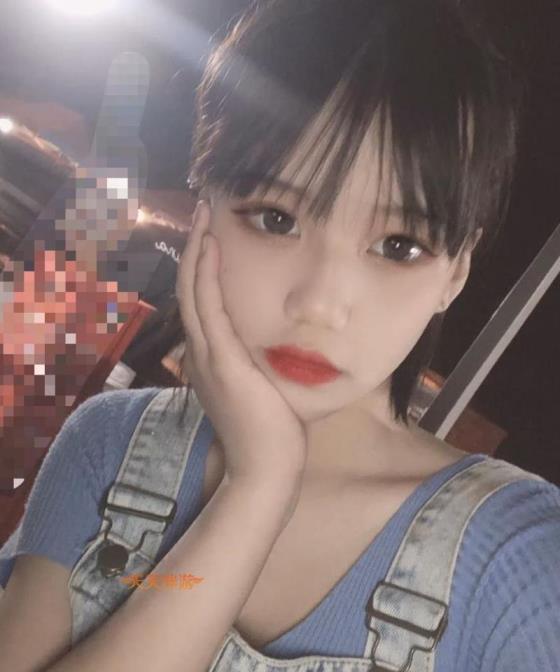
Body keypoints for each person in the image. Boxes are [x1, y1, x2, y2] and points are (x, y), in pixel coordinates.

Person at [0, 1, 559, 671]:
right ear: (203, 210)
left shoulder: (523, 563)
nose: (320, 304)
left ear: (455, 273)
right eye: (276, 218)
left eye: (398, 245)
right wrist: (258, 486)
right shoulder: (108, 445)